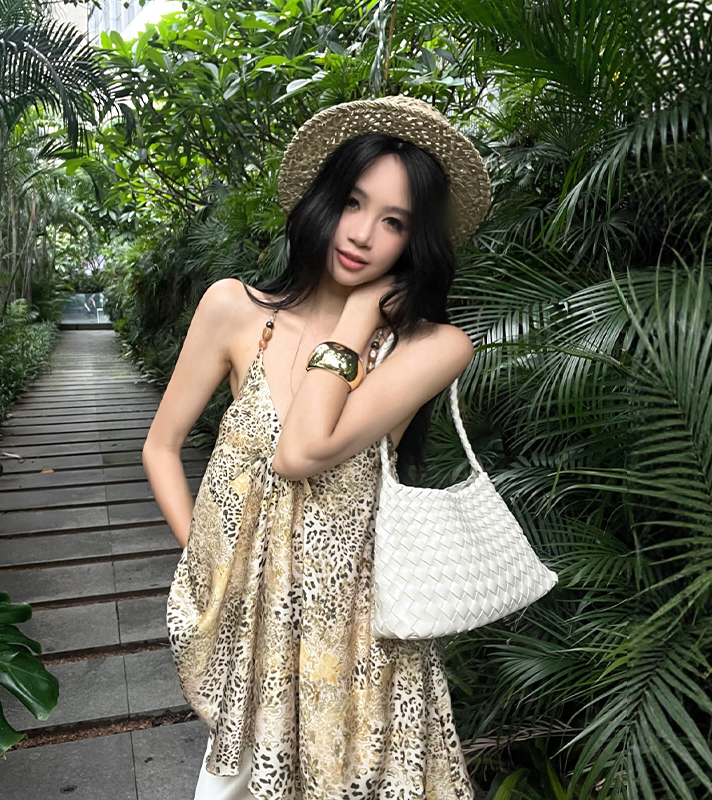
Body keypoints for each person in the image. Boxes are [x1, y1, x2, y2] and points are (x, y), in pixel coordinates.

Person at [141, 96, 492, 800]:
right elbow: (162, 446)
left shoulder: (432, 346)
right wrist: (213, 564)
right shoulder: (234, 308)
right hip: (255, 628)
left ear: (415, 241)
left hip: (361, 636)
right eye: (353, 203)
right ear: (324, 201)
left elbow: (302, 449)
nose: (362, 234)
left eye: (394, 222)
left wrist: (359, 316)